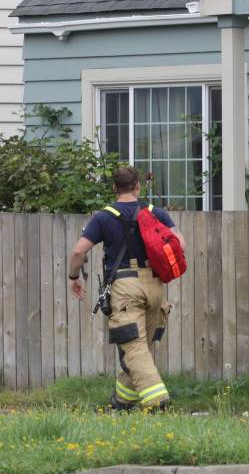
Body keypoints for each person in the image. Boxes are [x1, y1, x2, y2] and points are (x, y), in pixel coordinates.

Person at [67, 166, 185, 411]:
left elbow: (79, 251)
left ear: (114, 188)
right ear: (138, 186)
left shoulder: (104, 217)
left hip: (125, 287)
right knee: (142, 347)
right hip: (155, 287)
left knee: (133, 346)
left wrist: (73, 277)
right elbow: (180, 244)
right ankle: (121, 401)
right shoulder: (156, 213)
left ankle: (157, 401)